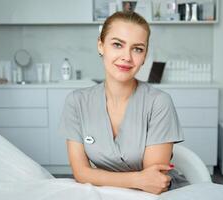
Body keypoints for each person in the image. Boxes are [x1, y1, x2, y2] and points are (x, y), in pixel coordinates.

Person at [59, 11, 186, 195]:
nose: (127, 56)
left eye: (137, 49)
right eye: (117, 44)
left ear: (144, 56)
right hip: (105, 194)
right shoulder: (77, 102)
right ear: (101, 46)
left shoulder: (158, 102)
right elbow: (80, 172)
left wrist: (96, 176)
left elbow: (153, 183)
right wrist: (136, 179)